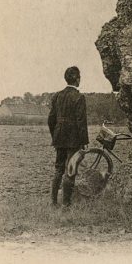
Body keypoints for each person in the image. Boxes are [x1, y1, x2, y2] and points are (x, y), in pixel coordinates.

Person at [48, 66, 89, 207]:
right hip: (73, 139)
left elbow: (51, 119)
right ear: (77, 79)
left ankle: (53, 203)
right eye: (79, 77)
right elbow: (81, 122)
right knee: (70, 170)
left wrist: (55, 135)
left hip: (59, 138)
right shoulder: (79, 97)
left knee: (58, 169)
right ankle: (66, 204)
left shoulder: (57, 96)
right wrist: (83, 142)